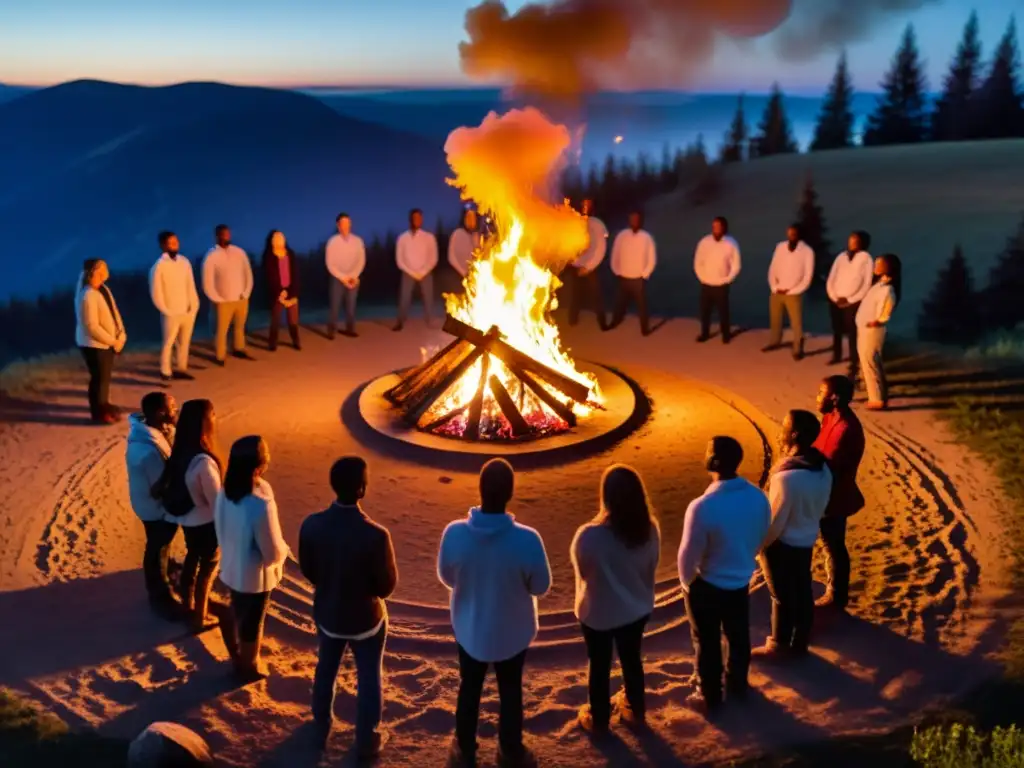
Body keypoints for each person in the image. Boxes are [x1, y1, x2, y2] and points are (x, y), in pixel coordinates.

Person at [438, 458, 551, 768]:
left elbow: (447, 578)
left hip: (470, 628)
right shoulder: (527, 539)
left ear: (480, 489)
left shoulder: (454, 533)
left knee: (469, 686)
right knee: (511, 689)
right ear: (510, 493)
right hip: (513, 632)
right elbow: (540, 586)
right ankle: (510, 749)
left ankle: (464, 748)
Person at [299, 457, 398, 759]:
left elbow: (308, 570)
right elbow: (385, 587)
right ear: (362, 489)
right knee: (369, 675)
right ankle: (366, 739)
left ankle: (320, 725)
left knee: (326, 667)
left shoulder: (312, 524)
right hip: (365, 619)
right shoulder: (376, 535)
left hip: (329, 613)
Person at [677, 437, 770, 715]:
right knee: (738, 634)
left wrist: (688, 584)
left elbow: (687, 556)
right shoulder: (757, 496)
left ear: (712, 461)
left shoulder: (703, 506)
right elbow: (761, 535)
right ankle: (738, 684)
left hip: (707, 584)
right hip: (739, 579)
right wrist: (742, 562)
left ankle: (710, 695)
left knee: (706, 641)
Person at [571, 465, 659, 734]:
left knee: (599, 665)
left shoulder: (589, 535)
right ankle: (635, 709)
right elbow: (650, 567)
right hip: (635, 609)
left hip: (598, 613)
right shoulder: (649, 530)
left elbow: (584, 572)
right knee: (632, 659)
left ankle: (598, 720)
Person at [756, 411, 832, 659]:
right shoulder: (822, 468)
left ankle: (778, 645)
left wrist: (759, 546)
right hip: (807, 538)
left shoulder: (786, 476)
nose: (780, 432)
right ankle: (800, 642)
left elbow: (775, 521)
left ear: (795, 434)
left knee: (780, 597)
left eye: (784, 427)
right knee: (802, 590)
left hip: (782, 544)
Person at [215, 435, 289, 681]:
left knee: (240, 610)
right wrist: (282, 554)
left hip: (232, 565)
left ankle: (238, 652)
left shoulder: (226, 491)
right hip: (254, 574)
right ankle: (248, 665)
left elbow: (220, 525)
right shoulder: (260, 502)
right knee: (253, 620)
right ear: (260, 465)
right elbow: (271, 549)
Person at [153, 399, 224, 633]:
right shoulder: (203, 462)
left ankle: (188, 605)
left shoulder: (180, 452)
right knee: (208, 568)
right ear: (204, 422)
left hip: (188, 522)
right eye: (212, 414)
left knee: (193, 559)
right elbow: (216, 503)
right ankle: (199, 617)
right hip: (206, 524)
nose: (215, 417)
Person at [812, 375, 866, 613]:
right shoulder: (829, 418)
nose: (817, 397)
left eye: (820, 392)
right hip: (824, 491)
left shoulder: (847, 428)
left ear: (834, 397)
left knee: (833, 544)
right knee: (829, 543)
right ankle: (834, 592)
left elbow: (831, 464)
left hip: (835, 495)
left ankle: (837, 595)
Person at [126, 391, 181, 619]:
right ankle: (159, 595)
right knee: (158, 547)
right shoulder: (148, 450)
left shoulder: (153, 434)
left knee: (159, 545)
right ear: (161, 413)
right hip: (154, 509)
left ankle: (166, 568)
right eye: (172, 407)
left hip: (147, 504)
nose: (175, 410)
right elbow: (159, 489)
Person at [75, 258, 127, 424]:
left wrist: (121, 334)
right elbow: (91, 326)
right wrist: (112, 341)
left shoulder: (104, 289)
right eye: (101, 268)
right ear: (93, 272)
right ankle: (98, 413)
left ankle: (104, 406)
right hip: (94, 344)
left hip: (107, 343)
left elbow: (114, 313)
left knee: (104, 378)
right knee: (98, 378)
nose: (105, 271)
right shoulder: (87, 294)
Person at [149, 231, 199, 382]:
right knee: (169, 342)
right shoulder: (158, 267)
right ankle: (165, 371)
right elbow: (156, 292)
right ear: (163, 245)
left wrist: (194, 304)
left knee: (184, 342)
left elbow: (190, 284)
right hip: (171, 311)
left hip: (187, 310)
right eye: (171, 242)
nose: (175, 245)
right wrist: (165, 310)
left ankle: (181, 368)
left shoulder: (184, 262)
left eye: (176, 242)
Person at [202, 224, 254, 365]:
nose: (226, 236)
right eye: (223, 234)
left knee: (240, 326)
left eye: (227, 234)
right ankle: (220, 355)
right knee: (221, 330)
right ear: (217, 236)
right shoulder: (211, 255)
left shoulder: (239, 252)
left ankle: (239, 348)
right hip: (222, 301)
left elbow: (247, 273)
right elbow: (207, 281)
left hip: (241, 298)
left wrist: (246, 292)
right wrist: (216, 298)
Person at [856, 254, 901, 411]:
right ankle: (876, 396)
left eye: (879, 264)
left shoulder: (888, 289)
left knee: (871, 362)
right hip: (865, 328)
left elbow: (887, 307)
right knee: (868, 362)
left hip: (873, 330)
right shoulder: (879, 285)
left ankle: (877, 399)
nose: (875, 267)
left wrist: (879, 320)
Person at [764, 224, 814, 360]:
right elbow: (773, 268)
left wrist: (794, 290)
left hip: (793, 293)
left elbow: (807, 276)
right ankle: (775, 341)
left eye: (793, 233)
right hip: (777, 291)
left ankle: (797, 347)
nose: (791, 235)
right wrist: (774, 286)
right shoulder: (780, 247)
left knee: (796, 322)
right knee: (775, 318)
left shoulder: (807, 251)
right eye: (789, 233)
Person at [826, 231, 874, 373]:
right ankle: (837, 354)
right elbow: (832, 277)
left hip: (853, 302)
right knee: (837, 329)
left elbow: (866, 283)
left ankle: (854, 360)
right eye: (851, 240)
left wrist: (851, 300)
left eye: (855, 240)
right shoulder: (841, 257)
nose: (852, 243)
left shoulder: (866, 259)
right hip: (836, 300)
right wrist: (834, 296)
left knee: (852, 331)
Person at [694, 217, 741, 344]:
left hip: (721, 285)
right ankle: (705, 333)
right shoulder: (704, 242)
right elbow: (698, 262)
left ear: (724, 228)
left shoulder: (731, 243)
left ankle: (726, 335)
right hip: (706, 283)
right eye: (714, 226)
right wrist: (702, 277)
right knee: (705, 311)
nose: (715, 229)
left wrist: (727, 279)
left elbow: (736, 265)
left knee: (723, 311)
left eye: (718, 227)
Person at [609, 209, 656, 336]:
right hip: (623, 276)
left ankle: (644, 328)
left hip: (638, 278)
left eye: (636, 219)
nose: (634, 221)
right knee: (619, 302)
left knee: (642, 306)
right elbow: (615, 254)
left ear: (640, 221)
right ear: (629, 220)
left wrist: (645, 274)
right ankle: (614, 321)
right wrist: (616, 270)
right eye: (632, 219)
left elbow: (652, 258)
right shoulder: (622, 235)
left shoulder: (646, 237)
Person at [393, 208, 438, 332]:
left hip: (425, 272)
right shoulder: (403, 238)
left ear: (422, 220)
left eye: (419, 218)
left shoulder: (429, 237)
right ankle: (400, 322)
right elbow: (399, 259)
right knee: (404, 297)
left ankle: (430, 320)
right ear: (411, 219)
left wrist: (423, 271)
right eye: (415, 218)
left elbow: (433, 257)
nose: (417, 220)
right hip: (408, 272)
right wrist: (412, 272)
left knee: (428, 297)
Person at [567, 199, 608, 329]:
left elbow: (600, 248)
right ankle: (572, 320)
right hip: (576, 266)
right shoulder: (575, 222)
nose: (585, 207)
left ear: (593, 207)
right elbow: (568, 243)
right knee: (575, 295)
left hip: (590, 267)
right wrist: (573, 262)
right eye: (583, 204)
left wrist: (588, 267)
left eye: (588, 205)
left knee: (595, 295)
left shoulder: (597, 224)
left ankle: (602, 322)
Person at [325, 212, 365, 338]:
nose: (346, 226)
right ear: (338, 225)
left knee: (351, 305)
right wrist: (343, 278)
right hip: (337, 278)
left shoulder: (358, 241)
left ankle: (350, 329)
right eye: (343, 223)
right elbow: (330, 263)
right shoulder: (332, 242)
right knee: (335, 305)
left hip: (353, 277)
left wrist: (354, 275)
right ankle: (331, 331)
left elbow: (361, 260)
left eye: (348, 223)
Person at [262, 230, 301, 352]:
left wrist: (292, 292)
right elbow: (269, 276)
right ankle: (272, 343)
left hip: (291, 290)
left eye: (281, 238)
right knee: (275, 319)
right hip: (276, 292)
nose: (279, 240)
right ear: (272, 241)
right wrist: (279, 292)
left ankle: (296, 341)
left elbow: (295, 274)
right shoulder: (268, 256)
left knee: (293, 319)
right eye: (276, 238)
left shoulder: (290, 254)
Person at [448, 208, 481, 280]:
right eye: (468, 217)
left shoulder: (477, 236)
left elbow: (478, 256)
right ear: (464, 219)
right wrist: (464, 273)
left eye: (473, 217)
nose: (471, 220)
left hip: (474, 277)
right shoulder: (457, 234)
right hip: (458, 276)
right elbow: (451, 257)